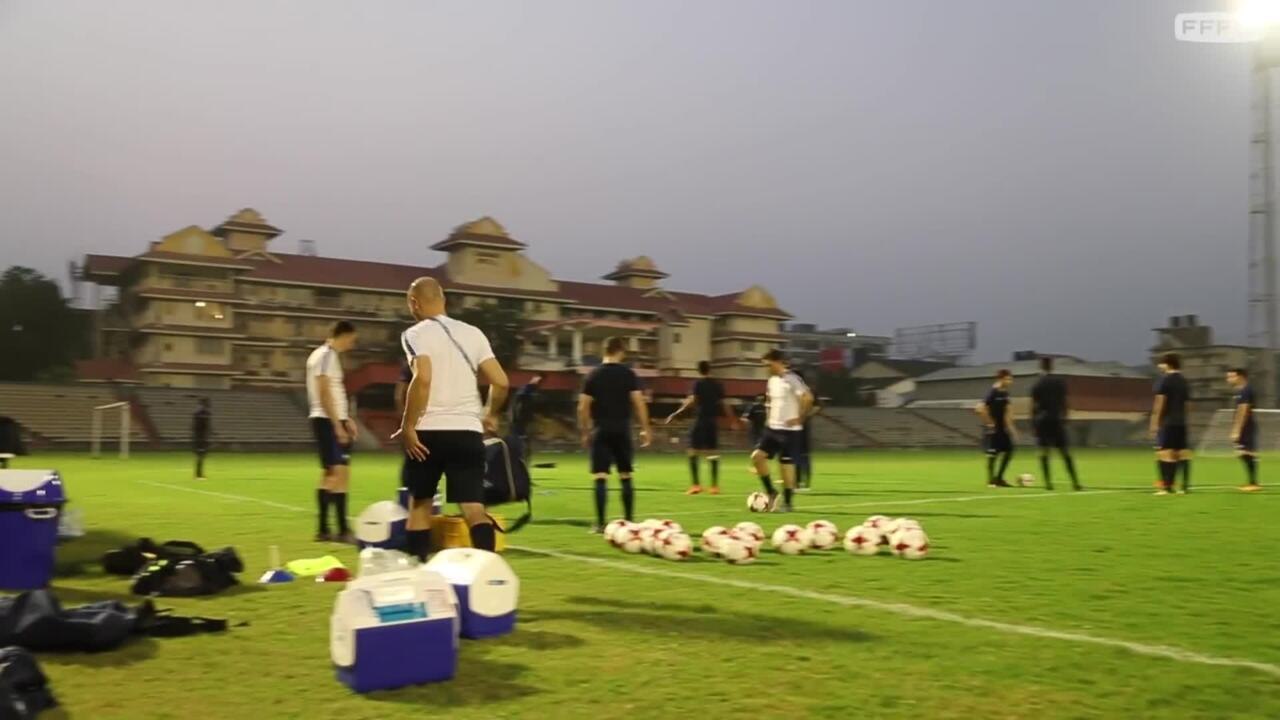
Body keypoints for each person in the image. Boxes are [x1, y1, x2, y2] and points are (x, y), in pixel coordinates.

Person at [395, 277, 509, 560]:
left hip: (428, 433)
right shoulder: (473, 333)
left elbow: (423, 379)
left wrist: (408, 426)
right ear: (443, 299)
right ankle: (487, 571)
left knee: (420, 505)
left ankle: (419, 571)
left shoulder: (415, 334)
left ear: (414, 303)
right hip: (467, 431)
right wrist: (490, 414)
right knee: (473, 507)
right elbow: (501, 382)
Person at [578, 337, 652, 533]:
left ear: (604, 351)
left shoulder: (593, 375)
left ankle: (601, 523)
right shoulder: (628, 374)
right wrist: (645, 428)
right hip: (622, 429)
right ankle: (629, 521)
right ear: (620, 351)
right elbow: (639, 402)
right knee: (625, 475)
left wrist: (585, 431)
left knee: (600, 476)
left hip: (600, 429)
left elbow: (583, 407)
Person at [307, 321, 359, 543]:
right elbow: (324, 393)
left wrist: (346, 419)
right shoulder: (325, 355)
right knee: (333, 474)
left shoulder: (329, 356)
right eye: (351, 340)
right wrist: (337, 425)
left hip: (334, 419)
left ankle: (340, 529)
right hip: (327, 420)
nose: (352, 345)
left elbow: (334, 393)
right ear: (342, 335)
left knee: (340, 474)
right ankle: (325, 529)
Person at [751, 349, 813, 513]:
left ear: (778, 362)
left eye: (769, 365)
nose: (766, 368)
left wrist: (800, 418)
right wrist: (768, 417)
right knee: (757, 457)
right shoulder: (771, 381)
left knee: (785, 467)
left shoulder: (792, 379)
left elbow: (808, 397)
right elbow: (769, 400)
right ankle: (771, 492)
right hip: (772, 429)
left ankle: (787, 503)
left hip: (790, 431)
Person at [665, 360, 737, 495]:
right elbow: (725, 404)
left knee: (692, 451)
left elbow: (692, 401)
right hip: (712, 421)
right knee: (713, 453)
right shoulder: (717, 384)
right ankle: (714, 487)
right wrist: (733, 420)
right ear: (710, 369)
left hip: (700, 420)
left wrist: (676, 413)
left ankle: (696, 485)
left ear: (698, 370)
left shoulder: (697, 384)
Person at [1030, 357, 1081, 491]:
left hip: (1043, 420)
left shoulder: (1038, 384)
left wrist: (1033, 425)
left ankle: (1048, 483)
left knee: (1044, 452)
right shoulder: (1059, 383)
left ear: (1041, 367)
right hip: (1057, 419)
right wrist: (1065, 417)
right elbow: (1065, 402)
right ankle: (1075, 482)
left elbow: (1034, 407)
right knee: (1065, 452)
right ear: (1052, 366)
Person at [1150, 352, 1192, 495]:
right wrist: (1183, 419)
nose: (1159, 366)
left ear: (1167, 364)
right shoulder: (1184, 381)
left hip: (1168, 422)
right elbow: (1188, 405)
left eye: (1161, 363)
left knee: (1164, 453)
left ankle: (1166, 487)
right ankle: (1184, 486)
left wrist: (1155, 422)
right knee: (1181, 454)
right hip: (1181, 422)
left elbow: (1160, 403)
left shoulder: (1165, 380)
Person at [977, 369, 1017, 488]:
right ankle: (991, 480)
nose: (1010, 381)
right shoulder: (993, 392)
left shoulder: (1005, 393)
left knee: (1010, 450)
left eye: (1011, 379)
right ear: (1001, 379)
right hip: (993, 429)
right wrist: (989, 423)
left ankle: (999, 478)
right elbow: (980, 408)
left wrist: (1011, 427)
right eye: (1008, 379)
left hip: (1002, 428)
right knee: (993, 454)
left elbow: (1007, 410)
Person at [1227, 367, 1263, 492]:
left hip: (1246, 426)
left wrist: (1237, 429)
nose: (1229, 379)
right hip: (1245, 426)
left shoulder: (1246, 390)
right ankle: (1252, 481)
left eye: (1231, 376)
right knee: (1243, 453)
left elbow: (1243, 410)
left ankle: (1254, 483)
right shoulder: (1241, 391)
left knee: (1247, 452)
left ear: (1240, 377)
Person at [511, 375, 542, 464]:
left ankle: (524, 460)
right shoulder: (524, 392)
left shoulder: (530, 392)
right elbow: (518, 406)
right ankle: (520, 460)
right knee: (521, 442)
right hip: (520, 422)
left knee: (525, 442)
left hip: (525, 421)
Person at [192, 397, 211, 481]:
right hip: (199, 437)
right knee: (200, 455)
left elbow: (207, 426)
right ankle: (198, 475)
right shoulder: (199, 413)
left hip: (202, 437)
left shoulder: (205, 413)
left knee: (202, 455)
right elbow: (197, 427)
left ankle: (199, 474)